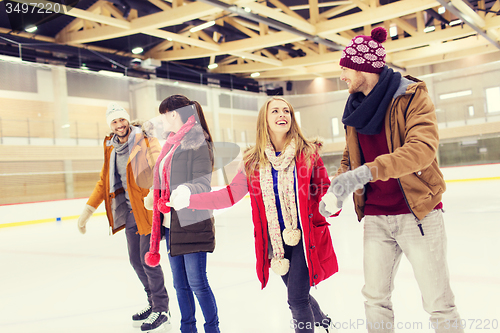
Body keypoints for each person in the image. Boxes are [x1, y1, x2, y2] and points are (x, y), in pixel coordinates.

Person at [320, 27, 464, 333]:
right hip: (375, 216)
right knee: (375, 299)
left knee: (438, 301)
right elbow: (351, 158)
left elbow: (421, 150)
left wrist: (366, 172)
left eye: (345, 68)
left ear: (363, 67)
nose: (342, 76)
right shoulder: (355, 108)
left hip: (417, 214)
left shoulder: (412, 96)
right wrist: (339, 189)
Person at [167, 97, 339, 333]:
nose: (282, 115)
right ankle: (320, 318)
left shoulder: (308, 154)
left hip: (304, 238)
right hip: (275, 242)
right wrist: (191, 200)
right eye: (275, 111)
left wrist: (333, 202)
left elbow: (324, 192)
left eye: (286, 111)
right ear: (264, 121)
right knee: (297, 291)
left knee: (296, 299)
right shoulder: (253, 161)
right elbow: (228, 196)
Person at [76, 102, 171, 332]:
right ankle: (152, 303)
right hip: (128, 212)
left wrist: (154, 190)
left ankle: (162, 309)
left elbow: (159, 163)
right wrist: (87, 211)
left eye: (122, 120)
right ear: (110, 125)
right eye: (114, 121)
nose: (119, 125)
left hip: (147, 209)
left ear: (128, 120)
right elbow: (103, 181)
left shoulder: (145, 140)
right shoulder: (110, 147)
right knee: (136, 261)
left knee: (148, 259)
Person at [144, 94, 220, 333]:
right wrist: (153, 194)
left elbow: (203, 183)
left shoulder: (197, 141)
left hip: (193, 222)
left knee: (197, 283)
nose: (162, 120)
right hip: (171, 224)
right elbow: (165, 179)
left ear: (173, 114)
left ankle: (212, 329)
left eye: (164, 114)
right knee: (180, 285)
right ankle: (187, 328)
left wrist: (186, 190)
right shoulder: (172, 143)